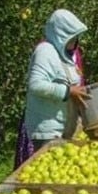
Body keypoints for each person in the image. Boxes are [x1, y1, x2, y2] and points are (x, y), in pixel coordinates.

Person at [19, 9, 88, 167]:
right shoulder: (45, 51)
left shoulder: (64, 54)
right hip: (48, 130)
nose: (76, 41)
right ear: (61, 35)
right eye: (72, 37)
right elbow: (36, 84)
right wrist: (68, 91)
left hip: (63, 127)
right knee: (48, 172)